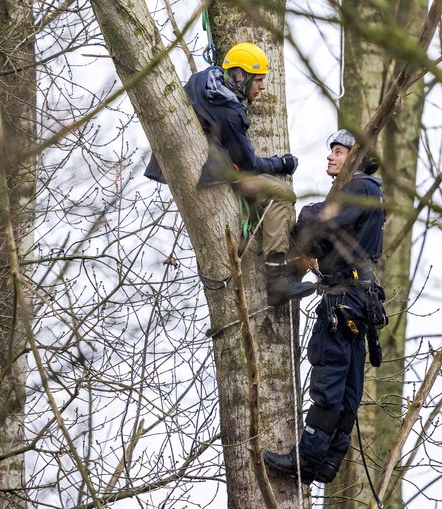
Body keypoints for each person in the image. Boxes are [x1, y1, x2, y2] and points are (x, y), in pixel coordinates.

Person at [145, 42, 315, 306]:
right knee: (281, 194)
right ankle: (276, 279)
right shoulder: (229, 112)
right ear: (239, 76)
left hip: (187, 163)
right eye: (258, 80)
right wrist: (281, 163)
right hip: (209, 170)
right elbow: (248, 163)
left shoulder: (204, 78)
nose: (262, 86)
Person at [263, 129, 387, 484]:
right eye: (330, 151)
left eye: (338, 151)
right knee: (348, 384)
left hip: (345, 299)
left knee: (330, 377)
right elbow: (324, 240)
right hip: (358, 298)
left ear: (356, 157)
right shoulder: (366, 193)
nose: (330, 157)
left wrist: (305, 215)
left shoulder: (360, 188)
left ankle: (307, 459)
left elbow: (320, 220)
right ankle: (330, 460)